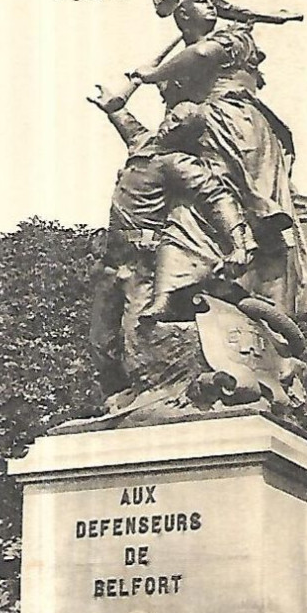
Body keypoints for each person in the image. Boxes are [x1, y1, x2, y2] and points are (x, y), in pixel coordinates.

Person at [129, 0, 307, 320]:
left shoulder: (234, 37)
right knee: (188, 208)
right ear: (182, 14)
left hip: (237, 127)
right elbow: (171, 122)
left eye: (211, 1)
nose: (212, 7)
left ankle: (273, 312)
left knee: (259, 217)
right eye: (202, 2)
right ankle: (172, 290)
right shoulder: (177, 76)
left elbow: (203, 54)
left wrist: (153, 74)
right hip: (202, 136)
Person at [88, 85, 251, 396]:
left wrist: (238, 243)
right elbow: (127, 123)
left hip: (141, 261)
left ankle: (148, 393)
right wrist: (113, 108)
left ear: (185, 135)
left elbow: (217, 198)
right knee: (101, 343)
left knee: (136, 336)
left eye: (179, 124)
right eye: (172, 118)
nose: (170, 124)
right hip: (110, 261)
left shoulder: (178, 164)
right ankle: (116, 401)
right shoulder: (144, 144)